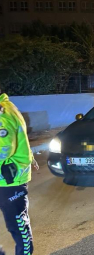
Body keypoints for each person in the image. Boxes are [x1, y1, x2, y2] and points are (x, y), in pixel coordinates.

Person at [0, 88, 38, 255]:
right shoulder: (8, 107)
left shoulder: (3, 114)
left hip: (10, 181)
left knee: (18, 228)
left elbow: (4, 149)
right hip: (6, 179)